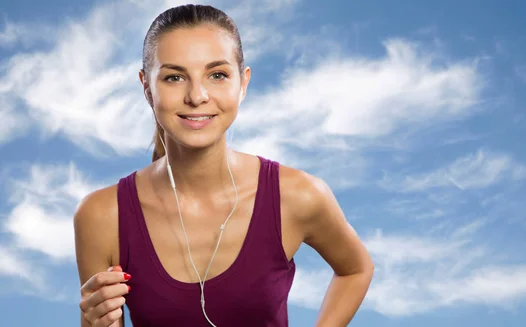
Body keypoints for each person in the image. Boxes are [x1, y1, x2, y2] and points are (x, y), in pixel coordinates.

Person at [74, 4, 373, 327]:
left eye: (217, 75)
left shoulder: (298, 195)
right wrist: (93, 323)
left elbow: (356, 269)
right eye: (174, 77)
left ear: (242, 83)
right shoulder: (103, 215)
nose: (197, 95)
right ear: (147, 87)